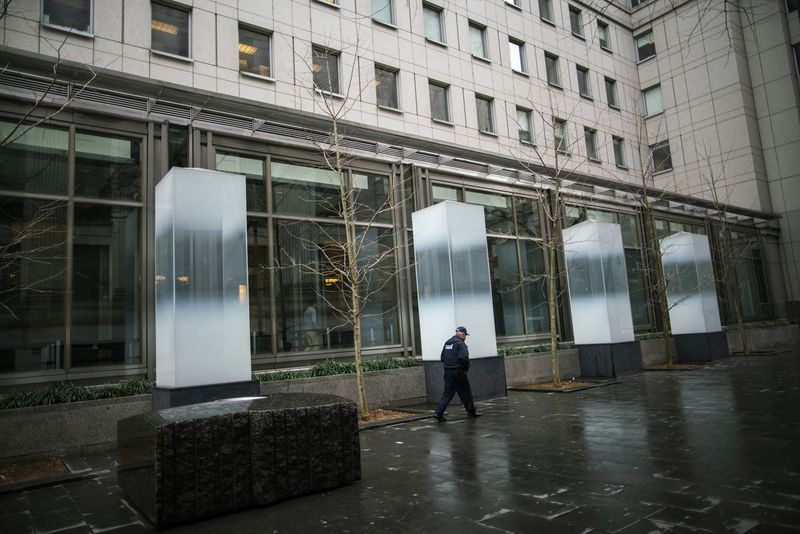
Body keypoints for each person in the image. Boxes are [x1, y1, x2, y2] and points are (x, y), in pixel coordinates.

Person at [434, 326, 482, 422]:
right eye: (465, 335)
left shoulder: (447, 343)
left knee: (447, 393)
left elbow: (442, 357)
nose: (465, 337)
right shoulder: (460, 344)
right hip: (458, 372)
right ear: (463, 334)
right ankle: (471, 412)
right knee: (465, 392)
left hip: (447, 372)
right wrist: (464, 368)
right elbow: (464, 358)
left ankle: (438, 413)